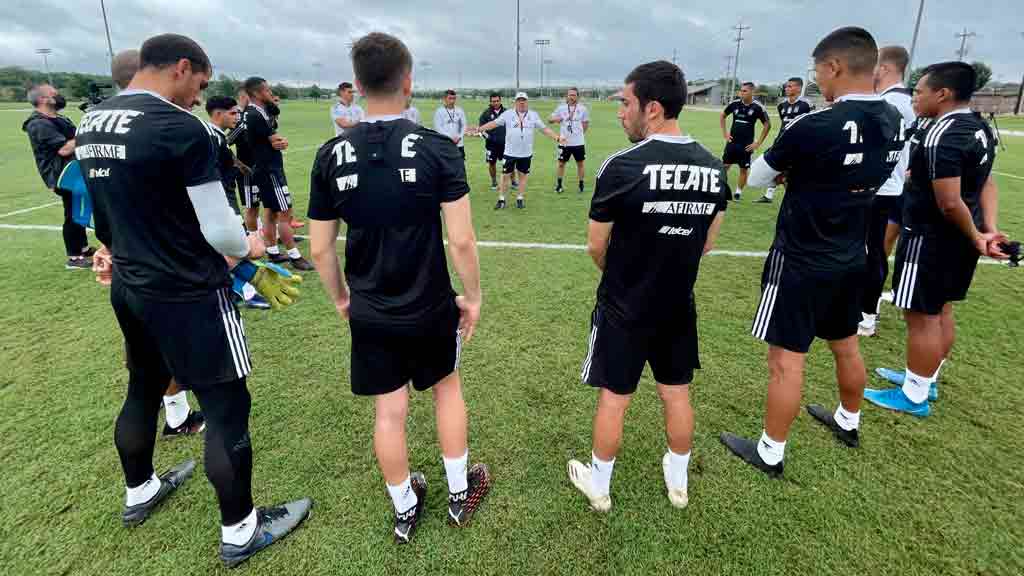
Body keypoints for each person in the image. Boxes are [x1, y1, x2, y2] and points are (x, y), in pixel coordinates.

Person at [75, 33, 310, 567]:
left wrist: (114, 252)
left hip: (130, 286)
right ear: (182, 67)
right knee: (227, 406)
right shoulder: (182, 129)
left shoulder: (92, 120)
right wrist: (251, 246)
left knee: (142, 387)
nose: (199, 96)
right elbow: (223, 232)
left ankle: (139, 491)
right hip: (188, 293)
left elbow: (105, 212)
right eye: (200, 84)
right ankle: (241, 529)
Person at [308, 32, 490, 544]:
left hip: (370, 307)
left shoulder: (331, 154)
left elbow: (320, 248)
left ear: (359, 86)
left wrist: (342, 298)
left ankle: (405, 507)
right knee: (446, 389)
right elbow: (461, 238)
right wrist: (472, 298)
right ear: (408, 82)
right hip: (430, 303)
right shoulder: (436, 148)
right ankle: (459, 493)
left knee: (389, 411)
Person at [719, 27, 905, 476]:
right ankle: (849, 420)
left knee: (786, 359)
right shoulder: (897, 119)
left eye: (818, 69)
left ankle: (770, 451)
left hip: (801, 256)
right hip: (852, 251)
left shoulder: (815, 123)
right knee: (845, 345)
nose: (817, 78)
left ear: (835, 66)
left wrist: (793, 173)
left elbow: (760, 178)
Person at [566, 61, 728, 513]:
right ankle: (678, 486)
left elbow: (597, 246)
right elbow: (708, 243)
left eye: (626, 102)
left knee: (615, 398)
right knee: (675, 392)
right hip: (678, 303)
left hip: (624, 305)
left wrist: (625, 274)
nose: (620, 111)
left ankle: (600, 488)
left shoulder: (622, 166)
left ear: (652, 108)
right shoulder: (713, 168)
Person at [864, 62, 1008, 417]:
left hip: (931, 238)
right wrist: (986, 230)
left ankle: (914, 394)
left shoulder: (944, 132)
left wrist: (977, 236)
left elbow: (948, 200)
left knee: (921, 315)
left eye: (920, 91)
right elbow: (986, 182)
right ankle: (925, 379)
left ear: (942, 94)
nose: (915, 97)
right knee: (941, 309)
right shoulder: (977, 127)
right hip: (960, 237)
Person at [857, 46, 916, 337]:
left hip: (879, 189)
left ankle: (866, 314)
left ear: (884, 68)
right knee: (874, 249)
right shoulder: (907, 101)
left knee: (871, 251)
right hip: (890, 186)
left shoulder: (891, 103)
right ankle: (864, 307)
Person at [205, 96, 272, 311]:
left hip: (226, 194)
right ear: (218, 113)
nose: (238, 117)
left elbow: (226, 159)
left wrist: (241, 167)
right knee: (238, 245)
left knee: (232, 245)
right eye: (233, 113)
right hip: (221, 198)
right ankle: (244, 290)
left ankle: (238, 287)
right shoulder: (207, 137)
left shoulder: (217, 136)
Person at [242, 77, 313, 270]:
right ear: (256, 93)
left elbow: (274, 137)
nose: (270, 93)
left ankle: (272, 251)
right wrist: (279, 142)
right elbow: (276, 140)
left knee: (272, 212)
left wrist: (277, 140)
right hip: (269, 170)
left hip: (265, 168)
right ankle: (294, 256)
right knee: (285, 212)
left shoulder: (257, 112)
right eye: (266, 90)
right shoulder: (255, 115)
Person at [22, 84, 93, 269]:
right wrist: (91, 133)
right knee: (72, 213)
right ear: (44, 99)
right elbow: (64, 149)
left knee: (80, 209)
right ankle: (74, 257)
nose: (59, 96)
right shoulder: (38, 123)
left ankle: (83, 248)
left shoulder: (59, 118)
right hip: (61, 174)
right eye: (55, 94)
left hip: (75, 170)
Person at [476, 92, 564, 210]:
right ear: (515, 102)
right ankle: (501, 199)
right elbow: (494, 124)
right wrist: (480, 128)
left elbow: (544, 129)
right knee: (505, 175)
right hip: (510, 152)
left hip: (526, 153)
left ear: (527, 102)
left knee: (522, 176)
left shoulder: (533, 115)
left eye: (524, 100)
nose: (521, 102)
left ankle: (520, 198)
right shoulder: (508, 114)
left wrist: (557, 137)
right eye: (519, 100)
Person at [757, 77, 813, 203]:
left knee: (790, 173)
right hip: (781, 142)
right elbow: (784, 123)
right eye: (786, 86)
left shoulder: (807, 105)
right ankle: (769, 196)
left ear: (799, 88)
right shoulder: (782, 105)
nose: (787, 89)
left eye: (790, 86)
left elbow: (812, 123)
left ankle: (794, 198)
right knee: (775, 168)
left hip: (798, 145)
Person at [719, 82, 771, 201]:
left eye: (744, 91)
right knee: (725, 166)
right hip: (732, 143)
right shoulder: (734, 104)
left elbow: (767, 125)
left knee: (743, 169)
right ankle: (721, 190)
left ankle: (738, 192)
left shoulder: (758, 107)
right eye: (741, 91)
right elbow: (722, 115)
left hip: (746, 145)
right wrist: (725, 133)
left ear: (752, 92)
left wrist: (758, 143)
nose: (741, 93)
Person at [228, 86, 260, 233]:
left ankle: (261, 233)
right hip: (247, 171)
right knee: (250, 206)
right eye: (251, 97)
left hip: (259, 167)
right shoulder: (239, 120)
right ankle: (253, 238)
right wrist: (239, 164)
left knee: (257, 205)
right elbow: (225, 142)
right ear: (243, 97)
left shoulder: (252, 116)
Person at [550, 87, 590, 194]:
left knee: (580, 164)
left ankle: (581, 185)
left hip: (578, 143)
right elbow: (550, 119)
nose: (571, 97)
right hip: (564, 142)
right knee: (561, 164)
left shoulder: (583, 109)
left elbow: (585, 124)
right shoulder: (561, 108)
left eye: (573, 95)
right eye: (569, 95)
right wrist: (557, 119)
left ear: (577, 97)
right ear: (566, 96)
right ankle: (559, 185)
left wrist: (578, 134)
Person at [478, 92, 516, 191]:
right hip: (491, 145)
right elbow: (481, 129)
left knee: (510, 163)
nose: (495, 103)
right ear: (490, 102)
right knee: (492, 163)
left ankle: (513, 181)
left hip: (506, 144)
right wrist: (489, 138)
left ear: (500, 101)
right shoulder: (485, 114)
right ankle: (494, 182)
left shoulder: (507, 112)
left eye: (497, 101)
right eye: (493, 101)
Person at [433, 89, 468, 159]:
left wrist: (459, 137)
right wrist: (450, 138)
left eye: (454, 98)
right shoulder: (439, 111)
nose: (452, 101)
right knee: (445, 166)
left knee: (460, 165)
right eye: (450, 98)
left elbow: (464, 125)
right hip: (445, 144)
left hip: (459, 144)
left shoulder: (460, 110)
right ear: (444, 99)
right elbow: (438, 128)